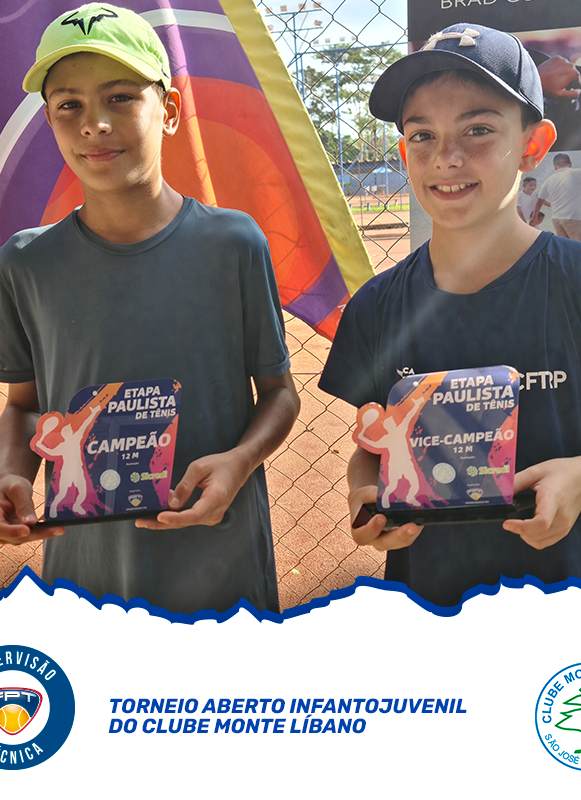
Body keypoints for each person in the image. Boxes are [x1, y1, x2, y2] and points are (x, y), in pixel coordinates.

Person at [0, 3, 300, 614]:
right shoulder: (25, 262)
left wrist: (240, 462)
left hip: (222, 564)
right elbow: (26, 406)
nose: (94, 124)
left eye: (119, 97)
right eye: (69, 105)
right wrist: (13, 474)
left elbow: (279, 394)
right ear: (50, 120)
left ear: (168, 111)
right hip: (89, 574)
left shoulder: (233, 243)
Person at [319, 23, 581, 607]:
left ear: (534, 144)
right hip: (431, 605)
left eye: (478, 129)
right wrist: (365, 494)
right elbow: (372, 444)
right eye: (422, 135)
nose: (446, 158)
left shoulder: (573, 282)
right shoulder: (377, 306)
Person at [531, 153, 581, 240]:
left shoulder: (548, 180)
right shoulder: (577, 173)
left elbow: (539, 202)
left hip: (557, 220)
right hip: (574, 218)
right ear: (570, 164)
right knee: (578, 246)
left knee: (565, 246)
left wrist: (534, 217)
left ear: (555, 167)